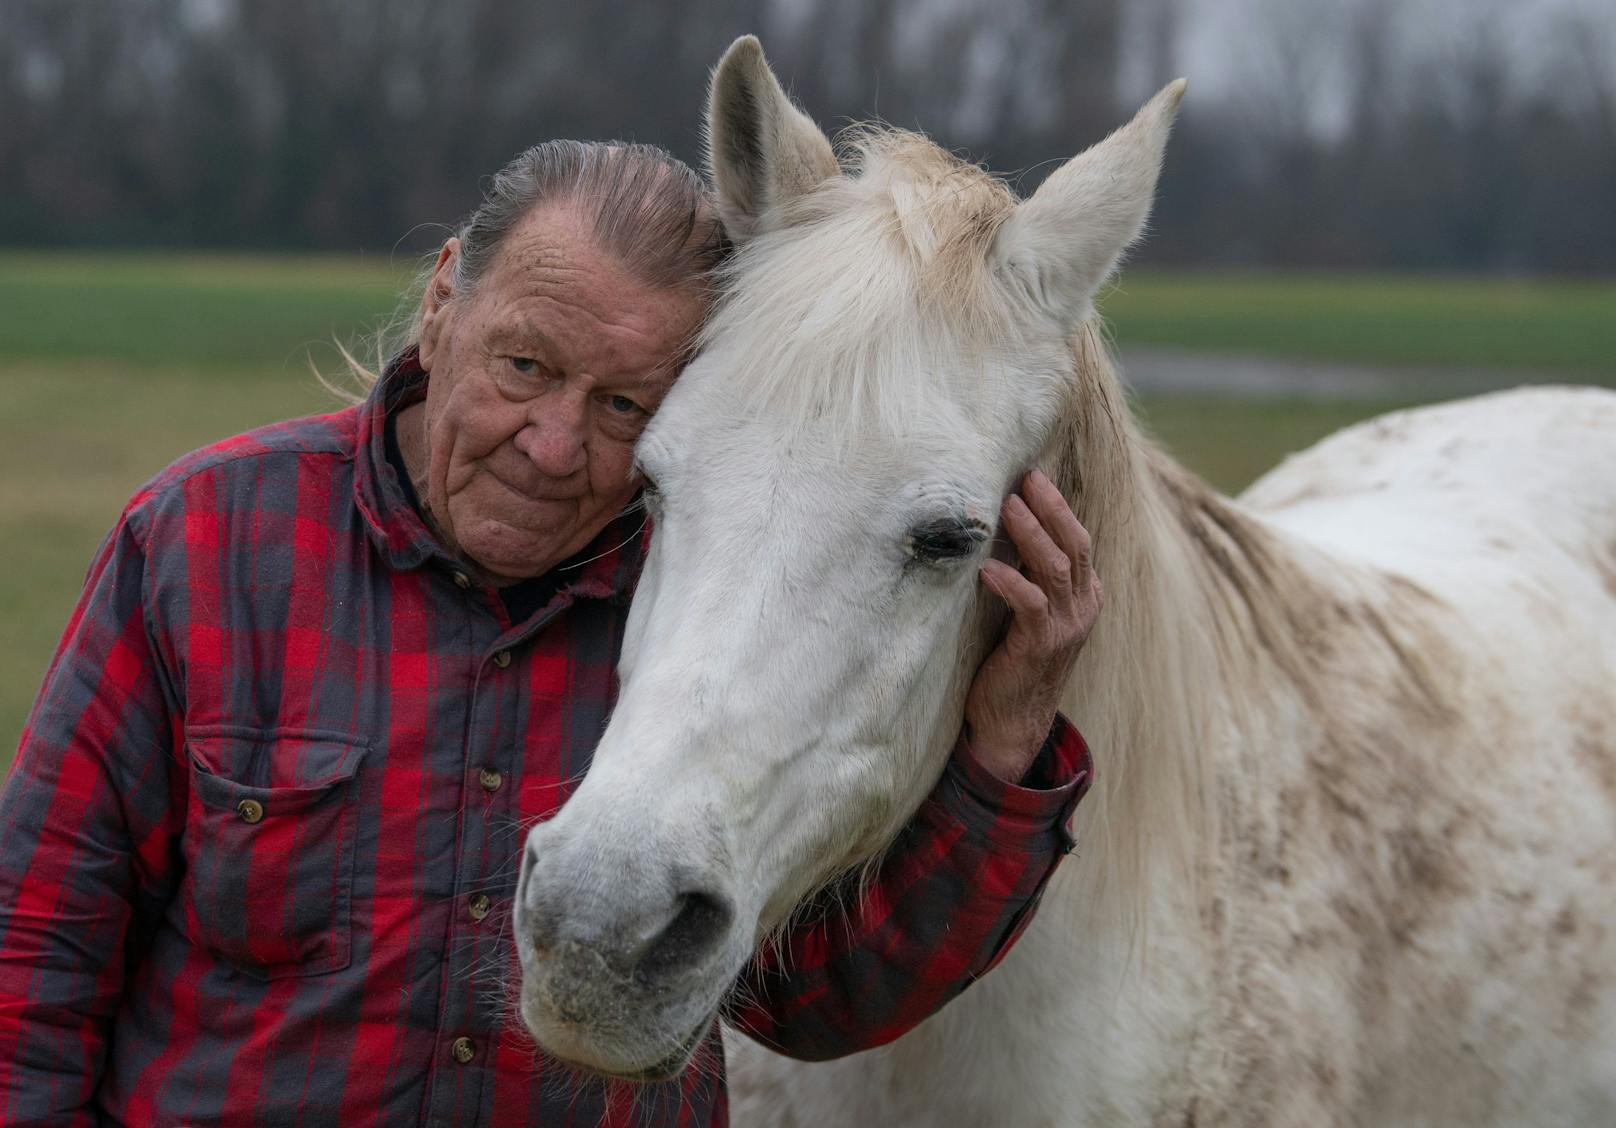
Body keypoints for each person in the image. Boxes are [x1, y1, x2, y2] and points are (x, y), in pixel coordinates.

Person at [0, 141, 1102, 1126]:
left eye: (625, 406)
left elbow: (817, 999)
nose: (552, 444)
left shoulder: (702, 608)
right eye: (524, 367)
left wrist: (1001, 746)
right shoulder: (205, 543)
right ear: (442, 303)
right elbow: (35, 950)